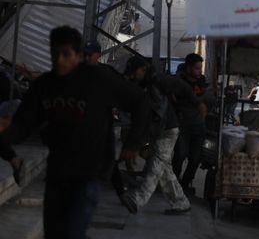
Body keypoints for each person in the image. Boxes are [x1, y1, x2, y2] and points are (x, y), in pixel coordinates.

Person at [0, 26, 150, 239]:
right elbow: (24, 124)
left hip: (89, 175)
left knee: (71, 232)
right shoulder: (46, 85)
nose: (60, 60)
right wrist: (6, 132)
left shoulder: (100, 80)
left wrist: (133, 144)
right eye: (55, 54)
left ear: (79, 56)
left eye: (66, 55)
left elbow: (140, 101)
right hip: (57, 175)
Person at [120, 56, 191, 215]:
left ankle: (138, 200)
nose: (133, 75)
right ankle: (181, 202)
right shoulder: (142, 85)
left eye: (134, 72)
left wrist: (196, 102)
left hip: (167, 130)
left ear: (143, 69)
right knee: (164, 169)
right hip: (159, 131)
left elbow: (158, 113)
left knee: (155, 166)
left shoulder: (156, 83)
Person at [172, 53, 212, 194]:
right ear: (188, 68)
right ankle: (174, 183)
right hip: (182, 126)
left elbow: (209, 100)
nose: (199, 71)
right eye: (196, 68)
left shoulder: (202, 83)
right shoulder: (178, 82)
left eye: (200, 68)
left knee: (195, 159)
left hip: (198, 127)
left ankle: (184, 184)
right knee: (180, 155)